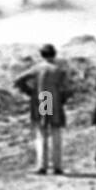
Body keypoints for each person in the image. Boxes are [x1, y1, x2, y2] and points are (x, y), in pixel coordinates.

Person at [14, 43, 70, 175]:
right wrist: (62, 99)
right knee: (56, 133)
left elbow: (18, 80)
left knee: (41, 133)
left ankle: (42, 165)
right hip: (54, 101)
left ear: (42, 55)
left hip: (43, 100)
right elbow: (67, 88)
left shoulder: (37, 68)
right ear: (54, 54)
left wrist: (30, 92)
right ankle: (58, 166)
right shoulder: (59, 70)